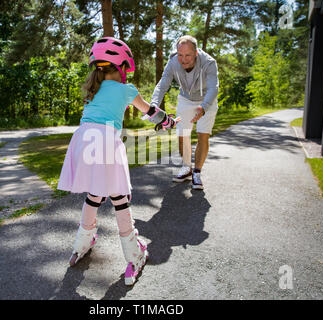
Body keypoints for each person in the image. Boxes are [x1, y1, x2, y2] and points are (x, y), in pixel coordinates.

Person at [57, 37, 178, 286]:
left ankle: (82, 242)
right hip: (105, 142)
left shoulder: (93, 87)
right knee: (119, 199)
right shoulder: (127, 90)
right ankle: (134, 256)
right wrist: (169, 122)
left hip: (82, 140)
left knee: (94, 194)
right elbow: (151, 112)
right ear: (122, 66)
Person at [150, 35, 219, 190]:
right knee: (183, 134)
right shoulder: (173, 62)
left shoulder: (208, 62)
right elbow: (163, 84)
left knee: (203, 134)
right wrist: (153, 105)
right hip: (186, 99)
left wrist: (204, 106)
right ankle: (187, 168)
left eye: (187, 55)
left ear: (195, 53)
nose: (183, 59)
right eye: (180, 55)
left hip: (206, 100)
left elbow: (214, 87)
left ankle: (197, 173)